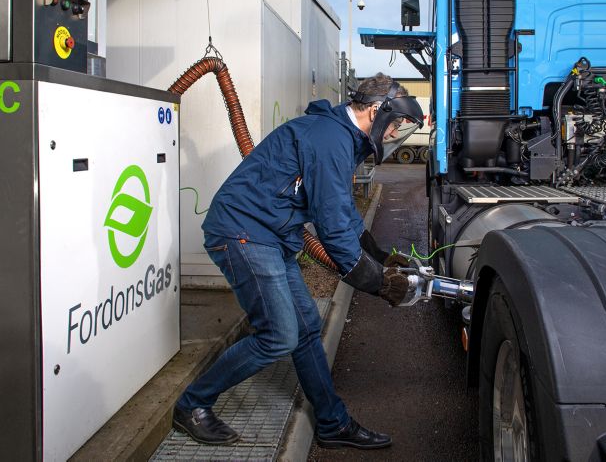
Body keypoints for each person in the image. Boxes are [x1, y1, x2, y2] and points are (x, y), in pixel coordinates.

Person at [174, 73, 425, 450]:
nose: (395, 134)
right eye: (396, 125)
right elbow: (335, 232)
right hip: (243, 232)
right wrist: (381, 284)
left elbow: (341, 213)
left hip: (271, 235)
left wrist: (380, 256)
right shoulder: (330, 140)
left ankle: (331, 423)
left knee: (306, 326)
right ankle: (192, 405)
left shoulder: (341, 137)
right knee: (279, 336)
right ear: (376, 111)